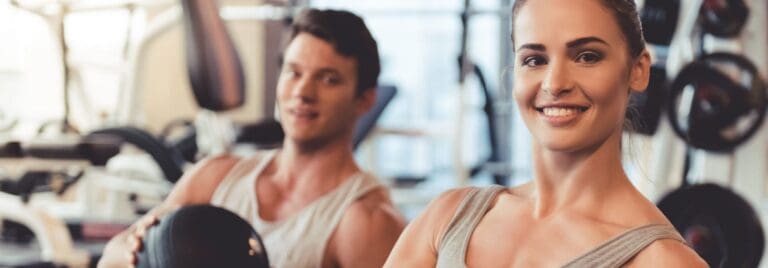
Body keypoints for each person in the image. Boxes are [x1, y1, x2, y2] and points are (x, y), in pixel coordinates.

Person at [384, 0, 707, 267]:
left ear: (638, 70)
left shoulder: (663, 261)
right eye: (534, 60)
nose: (555, 83)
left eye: (587, 56)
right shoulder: (448, 217)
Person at [98, 8, 405, 268]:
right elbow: (110, 256)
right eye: (294, 73)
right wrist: (136, 250)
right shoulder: (216, 176)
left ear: (365, 99)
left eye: (328, 79)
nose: (303, 93)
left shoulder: (367, 222)